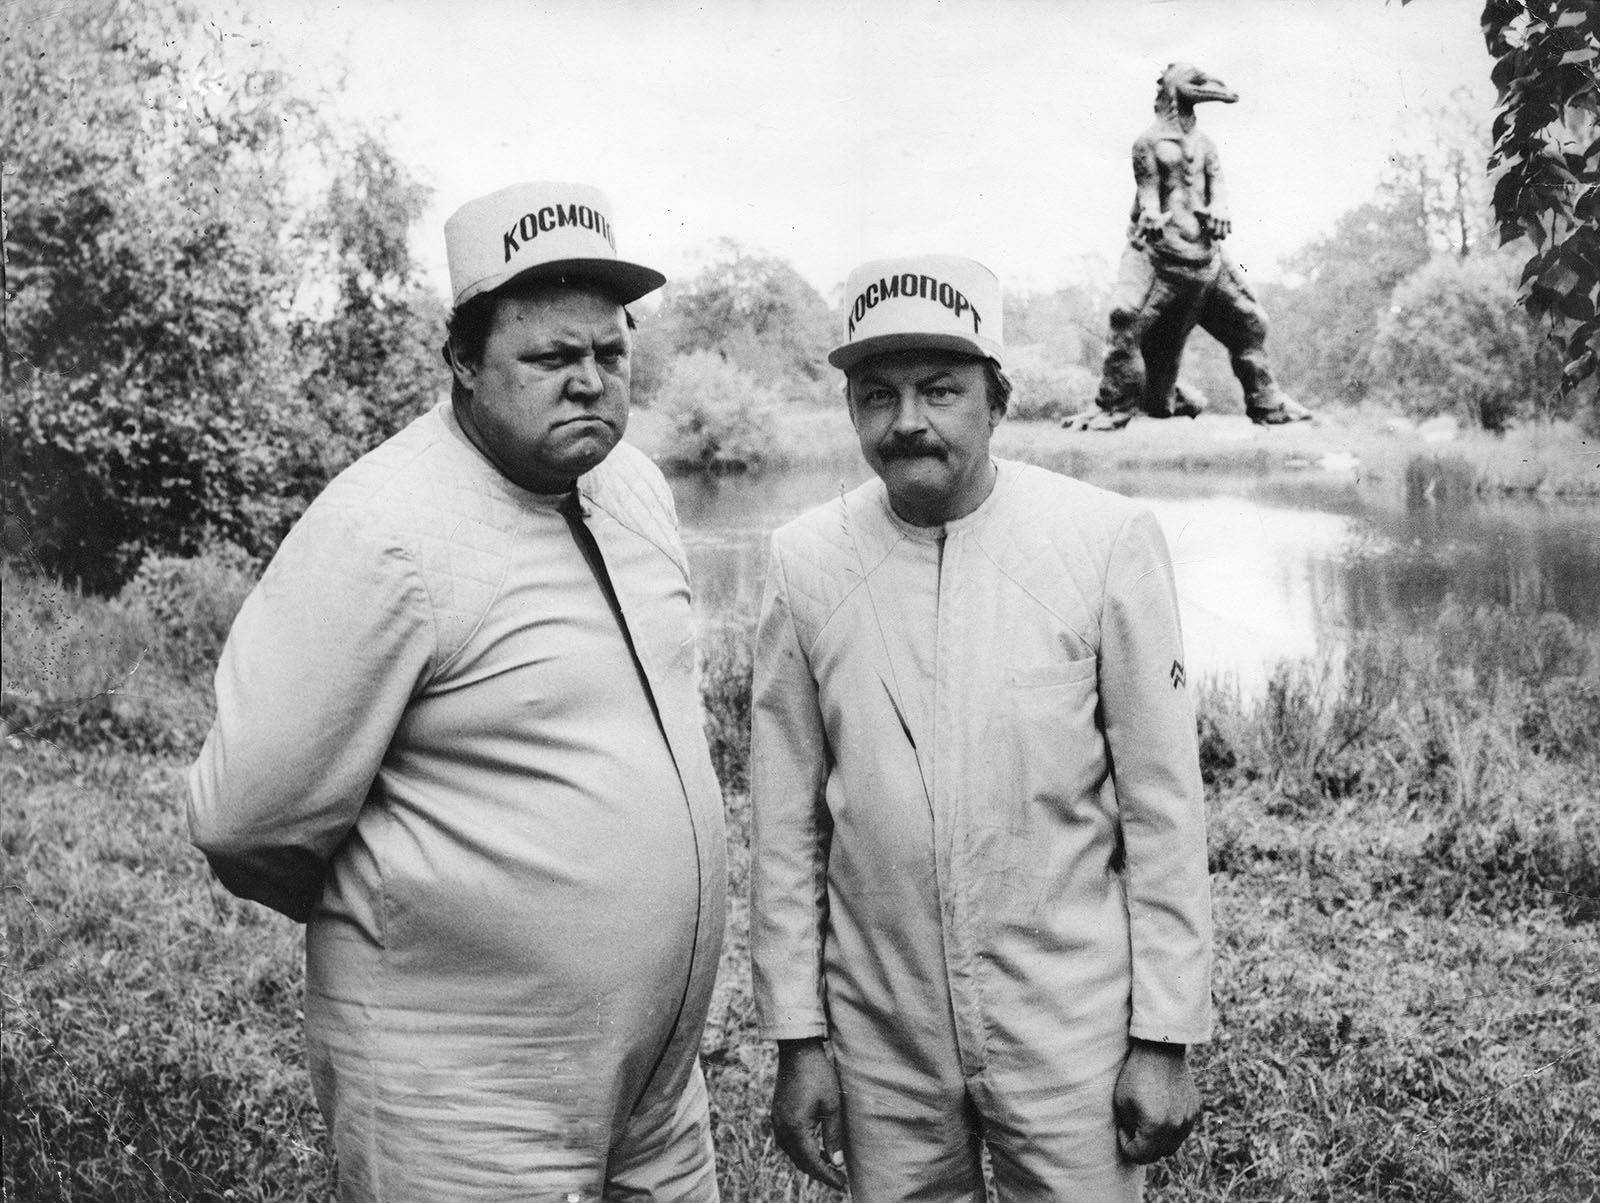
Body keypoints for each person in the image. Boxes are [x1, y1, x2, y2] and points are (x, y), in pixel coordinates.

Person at [188, 181, 726, 1203]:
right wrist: (413, 916)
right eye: (550, 357)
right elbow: (244, 820)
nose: (589, 382)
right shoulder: (381, 529)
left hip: (656, 1090)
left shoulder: (636, 489)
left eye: (610, 354)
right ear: (465, 361)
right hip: (465, 1100)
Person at [750, 255, 1213, 1201]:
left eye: (940, 389)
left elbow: (1165, 809)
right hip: (883, 1030)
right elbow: (786, 825)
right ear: (850, 408)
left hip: (1068, 1022)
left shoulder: (1103, 540)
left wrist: (1165, 1035)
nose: (907, 421)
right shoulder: (804, 562)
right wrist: (798, 1036)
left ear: (997, 400)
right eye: (877, 394)